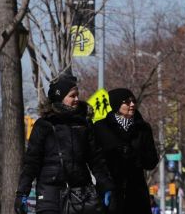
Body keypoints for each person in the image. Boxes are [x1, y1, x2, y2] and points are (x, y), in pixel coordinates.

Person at [15, 74, 114, 214]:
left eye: (77, 95)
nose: (77, 99)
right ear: (60, 97)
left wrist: (106, 185)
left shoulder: (84, 124)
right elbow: (32, 162)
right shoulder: (44, 125)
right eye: (72, 96)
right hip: (49, 193)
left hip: (81, 193)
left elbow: (96, 159)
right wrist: (22, 193)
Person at [93, 88, 159, 214]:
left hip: (137, 192)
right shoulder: (101, 127)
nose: (132, 105)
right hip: (111, 191)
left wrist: (135, 154)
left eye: (133, 101)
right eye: (127, 102)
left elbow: (151, 162)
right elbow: (95, 160)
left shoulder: (143, 128)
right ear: (116, 104)